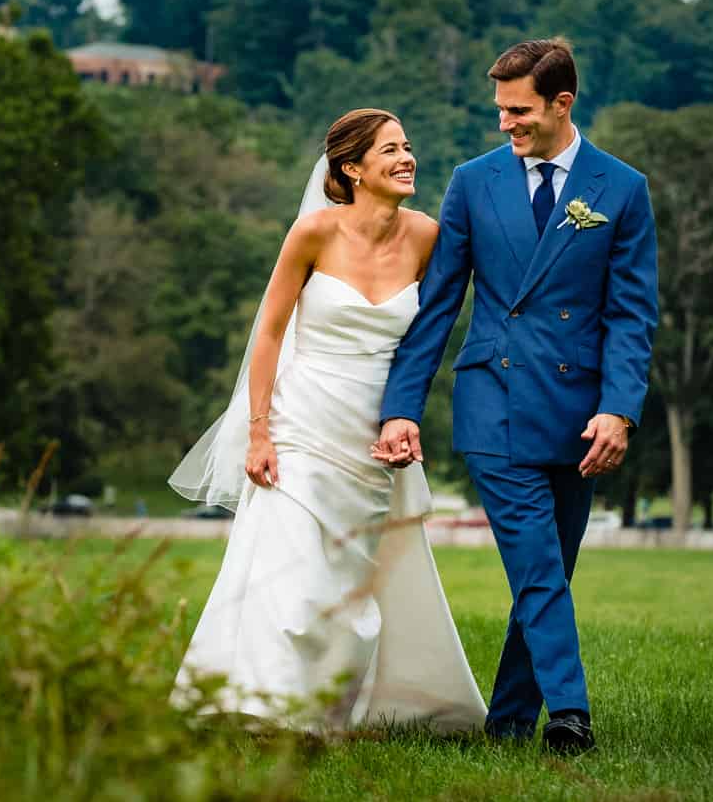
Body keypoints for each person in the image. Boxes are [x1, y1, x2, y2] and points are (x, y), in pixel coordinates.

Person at [374, 37, 657, 756]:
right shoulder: (472, 182)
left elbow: (632, 312)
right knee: (537, 566)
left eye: (519, 109)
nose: (506, 123)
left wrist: (619, 407)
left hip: (580, 415)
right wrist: (402, 404)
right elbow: (439, 304)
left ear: (563, 103)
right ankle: (571, 714)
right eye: (500, 109)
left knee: (547, 575)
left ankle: (505, 722)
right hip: (492, 404)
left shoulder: (622, 188)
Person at [168, 109, 485, 733]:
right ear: (352, 168)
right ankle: (269, 711)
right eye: (390, 149)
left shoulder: (426, 236)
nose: (407, 158)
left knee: (353, 577)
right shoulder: (312, 234)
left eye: (408, 147)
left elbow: (432, 331)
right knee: (293, 569)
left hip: (374, 433)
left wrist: (405, 417)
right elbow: (268, 336)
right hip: (302, 423)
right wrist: (259, 432)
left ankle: (340, 705)